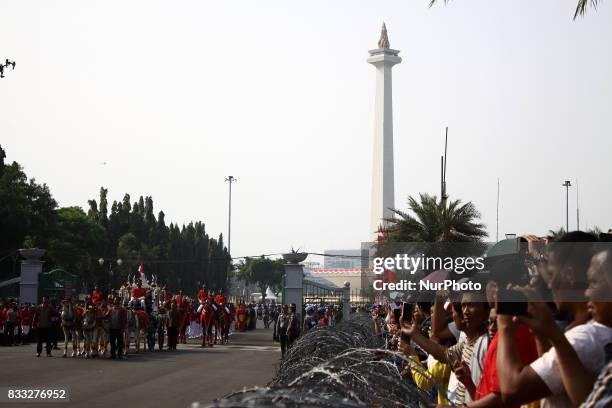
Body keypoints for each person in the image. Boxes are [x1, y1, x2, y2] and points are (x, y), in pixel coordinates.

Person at [497, 231, 612, 408]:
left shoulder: (584, 338)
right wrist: (543, 334)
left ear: (570, 275)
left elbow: (512, 390)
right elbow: (557, 375)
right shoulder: (586, 334)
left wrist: (504, 326)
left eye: (551, 273)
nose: (549, 284)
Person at [402, 291, 490, 406]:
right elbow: (444, 354)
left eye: (472, 305)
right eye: (463, 306)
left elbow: (494, 398)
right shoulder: (466, 344)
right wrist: (415, 335)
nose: (466, 311)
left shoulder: (486, 343)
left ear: (486, 311)